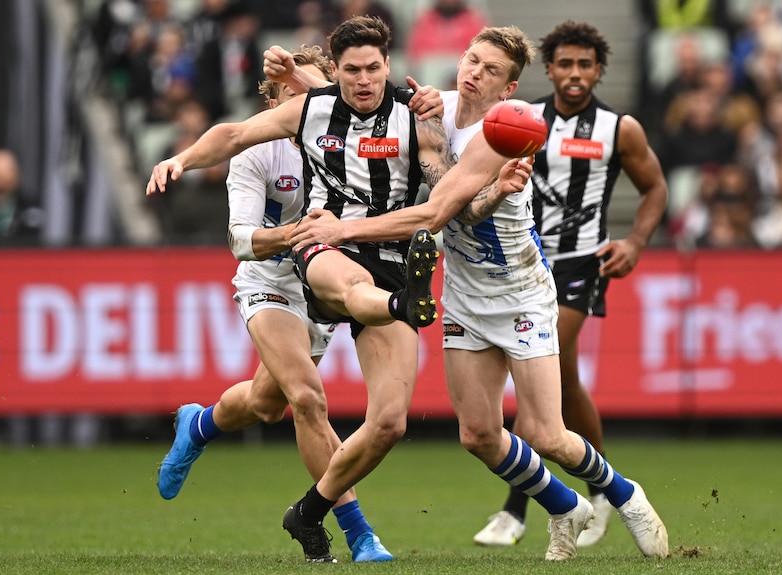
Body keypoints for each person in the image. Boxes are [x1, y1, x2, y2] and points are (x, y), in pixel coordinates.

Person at [146, 16, 520, 562]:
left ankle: (209, 429)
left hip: (388, 251)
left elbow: (449, 195)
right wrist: (179, 157)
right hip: (311, 253)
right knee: (308, 394)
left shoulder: (417, 119)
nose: (363, 80)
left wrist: (492, 196)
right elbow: (231, 149)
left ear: (388, 67)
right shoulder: (298, 121)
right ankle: (360, 530)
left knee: (365, 417)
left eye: (372, 69)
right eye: (351, 71)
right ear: (334, 76)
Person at [290, 24, 670, 561]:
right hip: (466, 295)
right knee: (477, 435)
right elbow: (360, 97)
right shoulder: (435, 104)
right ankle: (563, 507)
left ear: (509, 89)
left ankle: (625, 494)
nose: (473, 73)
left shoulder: (508, 130)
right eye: (472, 59)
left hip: (519, 291)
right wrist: (304, 77)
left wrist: (342, 230)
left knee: (546, 433)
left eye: (490, 70)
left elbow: (434, 213)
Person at [153, 45, 395, 562]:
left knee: (267, 403)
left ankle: (198, 424)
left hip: (322, 283)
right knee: (308, 399)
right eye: (291, 94)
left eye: (312, 92)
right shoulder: (258, 152)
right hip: (269, 281)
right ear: (273, 101)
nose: (304, 105)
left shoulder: (349, 140)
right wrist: (295, 235)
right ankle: (357, 534)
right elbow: (242, 240)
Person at [469, 20, 669, 549]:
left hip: (583, 264)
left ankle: (517, 510)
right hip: (527, 262)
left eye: (586, 65)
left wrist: (635, 243)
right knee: (567, 385)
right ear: (551, 68)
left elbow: (654, 188)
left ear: (599, 71)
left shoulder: (619, 128)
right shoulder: (523, 119)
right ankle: (603, 495)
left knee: (544, 366)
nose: (575, 74)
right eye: (565, 63)